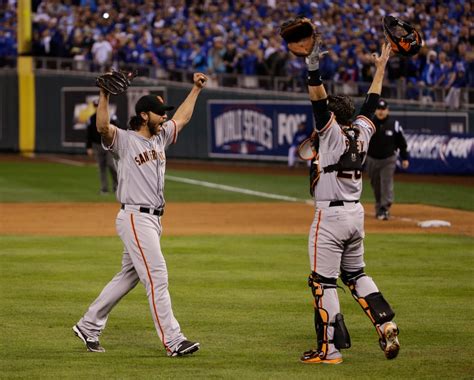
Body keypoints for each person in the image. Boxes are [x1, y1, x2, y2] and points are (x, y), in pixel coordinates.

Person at [73, 72, 208, 357]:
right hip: (135, 217)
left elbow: (181, 118)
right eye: (159, 114)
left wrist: (195, 89)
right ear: (144, 116)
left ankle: (89, 325)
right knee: (157, 275)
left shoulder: (160, 139)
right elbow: (102, 127)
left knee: (128, 277)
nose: (164, 118)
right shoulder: (125, 140)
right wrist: (104, 94)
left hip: (154, 220)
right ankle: (173, 340)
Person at [299, 38, 400, 364]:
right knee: (355, 274)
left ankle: (330, 350)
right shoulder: (362, 130)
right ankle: (386, 323)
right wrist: (381, 67)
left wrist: (312, 68)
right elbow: (371, 103)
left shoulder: (329, 132)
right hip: (356, 215)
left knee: (322, 282)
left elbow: (318, 100)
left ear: (330, 116)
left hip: (330, 218)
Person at [366, 99, 409, 220]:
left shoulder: (394, 124)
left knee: (386, 182)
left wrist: (405, 157)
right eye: (379, 109)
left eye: (383, 109)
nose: (380, 111)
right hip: (371, 159)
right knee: (376, 184)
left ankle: (384, 208)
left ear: (387, 110)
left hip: (388, 159)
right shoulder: (369, 123)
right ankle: (379, 206)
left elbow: (402, 142)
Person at [86, 100, 118, 195]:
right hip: (97, 145)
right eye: (96, 106)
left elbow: (118, 130)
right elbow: (88, 134)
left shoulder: (111, 116)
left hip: (109, 145)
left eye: (98, 106)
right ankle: (104, 189)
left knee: (111, 165)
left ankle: (117, 186)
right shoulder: (91, 118)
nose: (97, 108)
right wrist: (89, 147)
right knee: (101, 167)